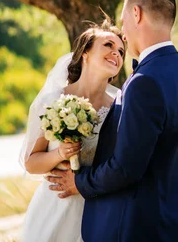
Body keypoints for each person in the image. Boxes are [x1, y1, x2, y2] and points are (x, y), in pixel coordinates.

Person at [48, 0, 178, 241]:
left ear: (136, 14)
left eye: (123, 21)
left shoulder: (145, 80)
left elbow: (126, 168)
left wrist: (78, 182)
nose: (122, 33)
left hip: (144, 227)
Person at [19, 20, 125, 242]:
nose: (116, 53)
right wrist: (59, 154)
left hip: (98, 209)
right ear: (85, 52)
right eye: (108, 45)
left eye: (121, 51)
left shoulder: (119, 107)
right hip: (56, 206)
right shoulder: (53, 101)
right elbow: (31, 162)